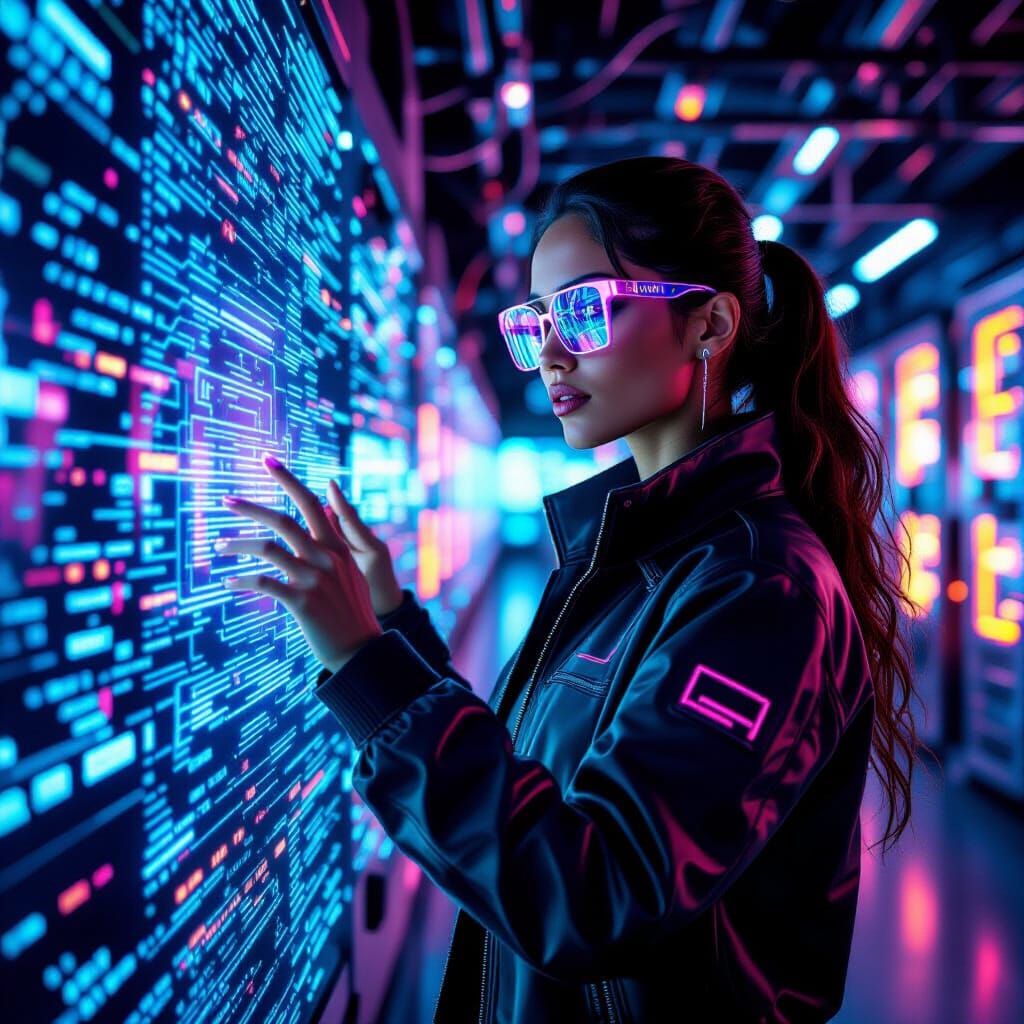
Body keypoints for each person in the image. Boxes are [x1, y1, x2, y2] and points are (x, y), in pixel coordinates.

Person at [220, 156, 922, 1022]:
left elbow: (598, 896)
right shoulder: (643, 546)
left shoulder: (760, 587)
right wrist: (394, 626)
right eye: (536, 320)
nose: (548, 353)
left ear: (709, 324)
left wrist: (369, 666)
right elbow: (538, 769)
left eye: (584, 310)